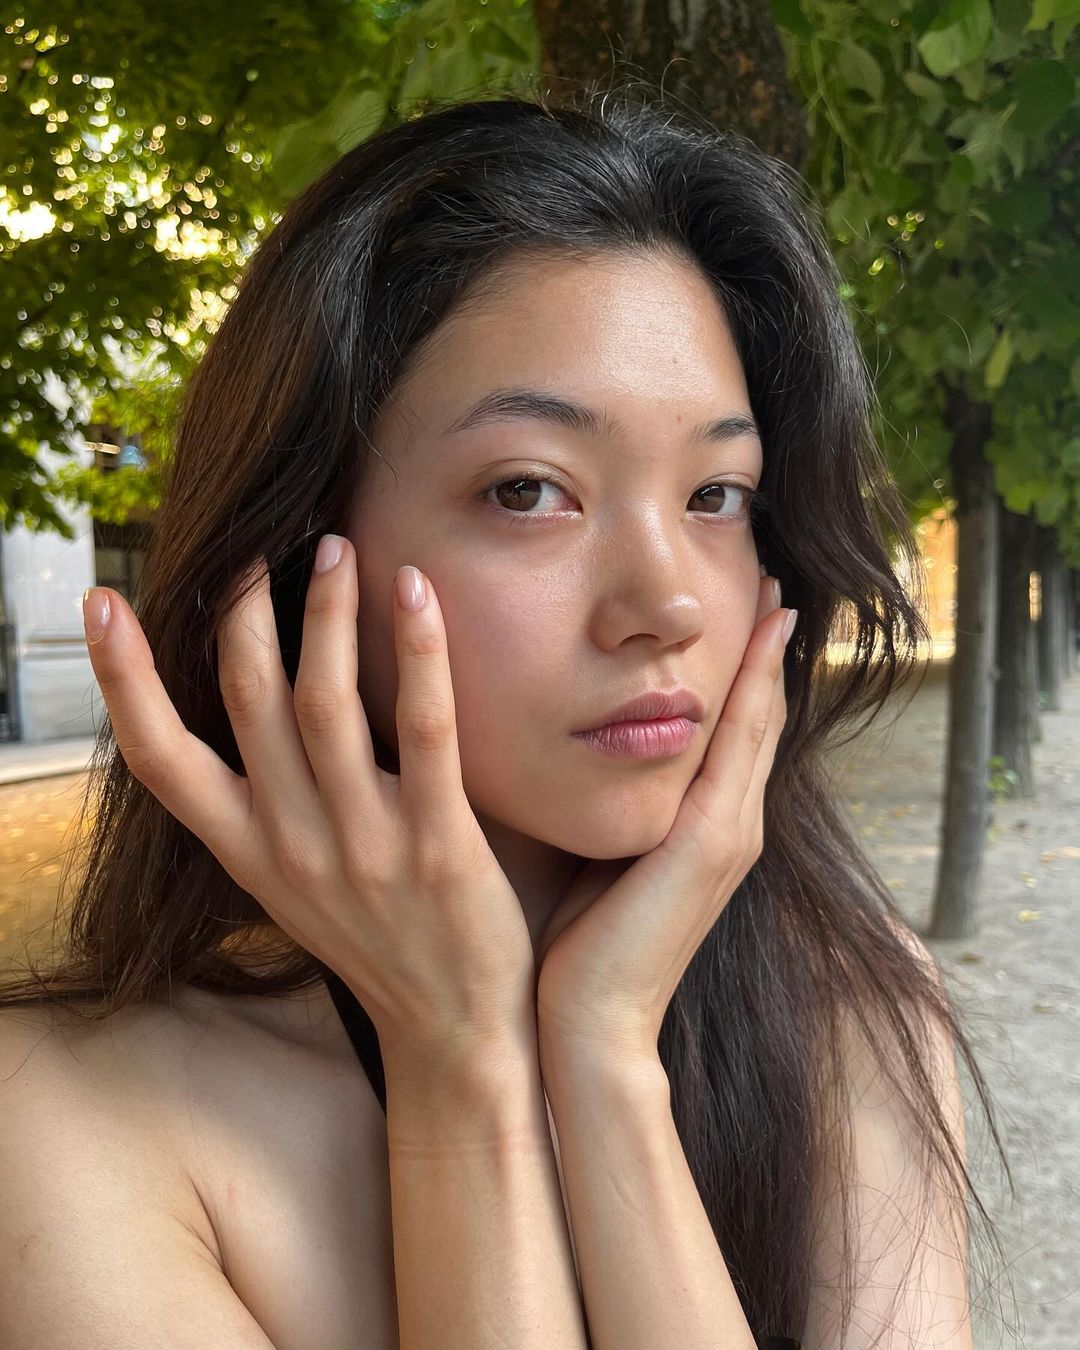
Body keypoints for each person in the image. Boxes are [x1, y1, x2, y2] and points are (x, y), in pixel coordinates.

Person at [0, 80, 1010, 1349]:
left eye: (716, 494)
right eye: (530, 490)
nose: (666, 605)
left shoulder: (850, 1011)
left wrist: (604, 1057)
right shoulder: (66, 1120)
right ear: (298, 553)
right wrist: (461, 1065)